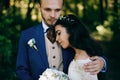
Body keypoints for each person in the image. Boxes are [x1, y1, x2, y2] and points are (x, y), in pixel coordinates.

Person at [16, 0, 107, 80]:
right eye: (47, 9)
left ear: (62, 7)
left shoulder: (69, 31)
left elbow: (91, 49)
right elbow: (21, 69)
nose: (52, 15)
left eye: (57, 10)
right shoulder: (27, 35)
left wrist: (102, 62)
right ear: (39, 7)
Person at [54, 14, 106, 80]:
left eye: (59, 33)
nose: (56, 39)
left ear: (71, 31)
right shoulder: (72, 52)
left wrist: (103, 62)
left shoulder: (88, 61)